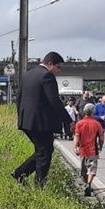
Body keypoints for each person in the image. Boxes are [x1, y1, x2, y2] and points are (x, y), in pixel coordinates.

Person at [12, 51, 67, 187]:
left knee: (43, 151)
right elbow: (54, 100)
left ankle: (20, 173)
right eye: (58, 67)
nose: (58, 71)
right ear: (50, 64)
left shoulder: (28, 75)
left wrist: (21, 118)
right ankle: (38, 186)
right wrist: (68, 120)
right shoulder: (47, 75)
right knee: (44, 153)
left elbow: (19, 98)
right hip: (41, 123)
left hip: (27, 121)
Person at [73, 102, 103, 196]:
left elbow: (77, 136)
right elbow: (101, 138)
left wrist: (75, 147)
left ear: (84, 112)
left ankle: (87, 184)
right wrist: (100, 146)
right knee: (92, 169)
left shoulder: (79, 123)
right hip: (93, 150)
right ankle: (89, 184)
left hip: (82, 150)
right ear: (93, 112)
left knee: (84, 170)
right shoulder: (97, 124)